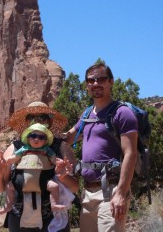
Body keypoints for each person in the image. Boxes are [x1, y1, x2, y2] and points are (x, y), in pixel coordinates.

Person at [65, 61, 138, 232]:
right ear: (86, 85)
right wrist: (38, 132)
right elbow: (68, 137)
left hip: (111, 191)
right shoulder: (87, 114)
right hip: (88, 192)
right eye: (91, 81)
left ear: (111, 82)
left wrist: (121, 192)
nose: (95, 84)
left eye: (101, 79)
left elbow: (130, 154)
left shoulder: (122, 113)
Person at [0, 101, 78, 232]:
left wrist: (63, 177)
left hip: (53, 219)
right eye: (31, 117)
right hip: (20, 219)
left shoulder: (61, 147)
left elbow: (75, 187)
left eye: (42, 117)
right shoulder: (16, 147)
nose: (37, 121)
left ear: (49, 121)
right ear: (26, 122)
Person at [0, 122, 67, 214]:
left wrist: (60, 162)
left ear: (45, 141)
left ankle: (54, 204)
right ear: (28, 138)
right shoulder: (23, 149)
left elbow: (54, 160)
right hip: (21, 180)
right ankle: (8, 205)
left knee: (54, 186)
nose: (36, 139)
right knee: (9, 186)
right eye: (33, 136)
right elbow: (14, 158)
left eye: (41, 137)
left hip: (42, 180)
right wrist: (5, 160)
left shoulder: (47, 150)